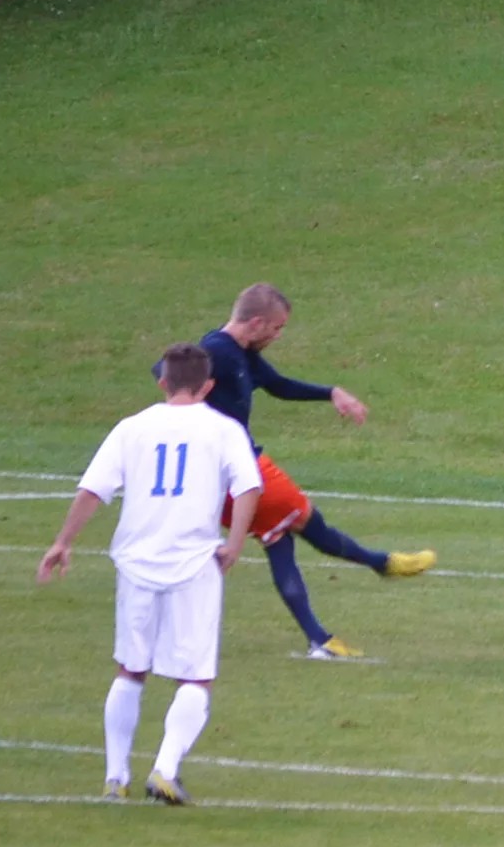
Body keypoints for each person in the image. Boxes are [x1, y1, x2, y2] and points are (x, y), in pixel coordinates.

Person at [38, 341, 262, 805]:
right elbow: (248, 487)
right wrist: (235, 542)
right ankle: (164, 769)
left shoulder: (132, 428)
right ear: (209, 386)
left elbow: (93, 489)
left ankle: (114, 776)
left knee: (130, 668)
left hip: (137, 561)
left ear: (163, 381)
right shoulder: (223, 430)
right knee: (195, 677)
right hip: (195, 561)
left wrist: (63, 541)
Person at [186, 283, 434, 660]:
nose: (278, 335)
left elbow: (279, 386)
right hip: (235, 470)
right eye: (276, 328)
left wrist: (330, 392)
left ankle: (321, 638)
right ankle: (382, 564)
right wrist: (196, 413)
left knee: (279, 540)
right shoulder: (216, 351)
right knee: (310, 524)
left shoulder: (242, 353)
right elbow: (166, 372)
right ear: (255, 323)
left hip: (234, 470)